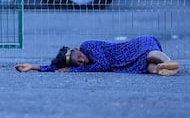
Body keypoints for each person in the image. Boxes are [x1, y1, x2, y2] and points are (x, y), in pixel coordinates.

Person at [15, 35, 179, 76]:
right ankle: (163, 70)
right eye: (78, 63)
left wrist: (72, 70)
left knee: (149, 54)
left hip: (132, 47)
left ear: (76, 48)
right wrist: (33, 67)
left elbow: (103, 65)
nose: (82, 60)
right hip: (126, 64)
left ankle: (169, 62)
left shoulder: (87, 45)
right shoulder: (83, 64)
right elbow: (58, 68)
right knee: (148, 68)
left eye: (78, 55)